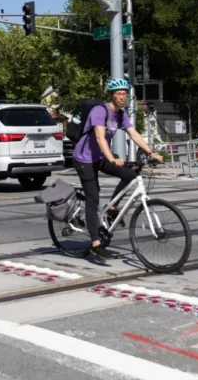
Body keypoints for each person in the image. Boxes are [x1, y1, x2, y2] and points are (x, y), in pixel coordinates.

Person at [71, 78, 162, 263]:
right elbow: (100, 137)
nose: (122, 97)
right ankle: (96, 244)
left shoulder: (121, 114)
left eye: (124, 94)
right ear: (111, 95)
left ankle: (113, 207)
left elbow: (133, 133)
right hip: (84, 159)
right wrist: (112, 158)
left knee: (130, 174)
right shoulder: (100, 111)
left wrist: (151, 152)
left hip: (100, 156)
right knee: (93, 198)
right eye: (119, 94)